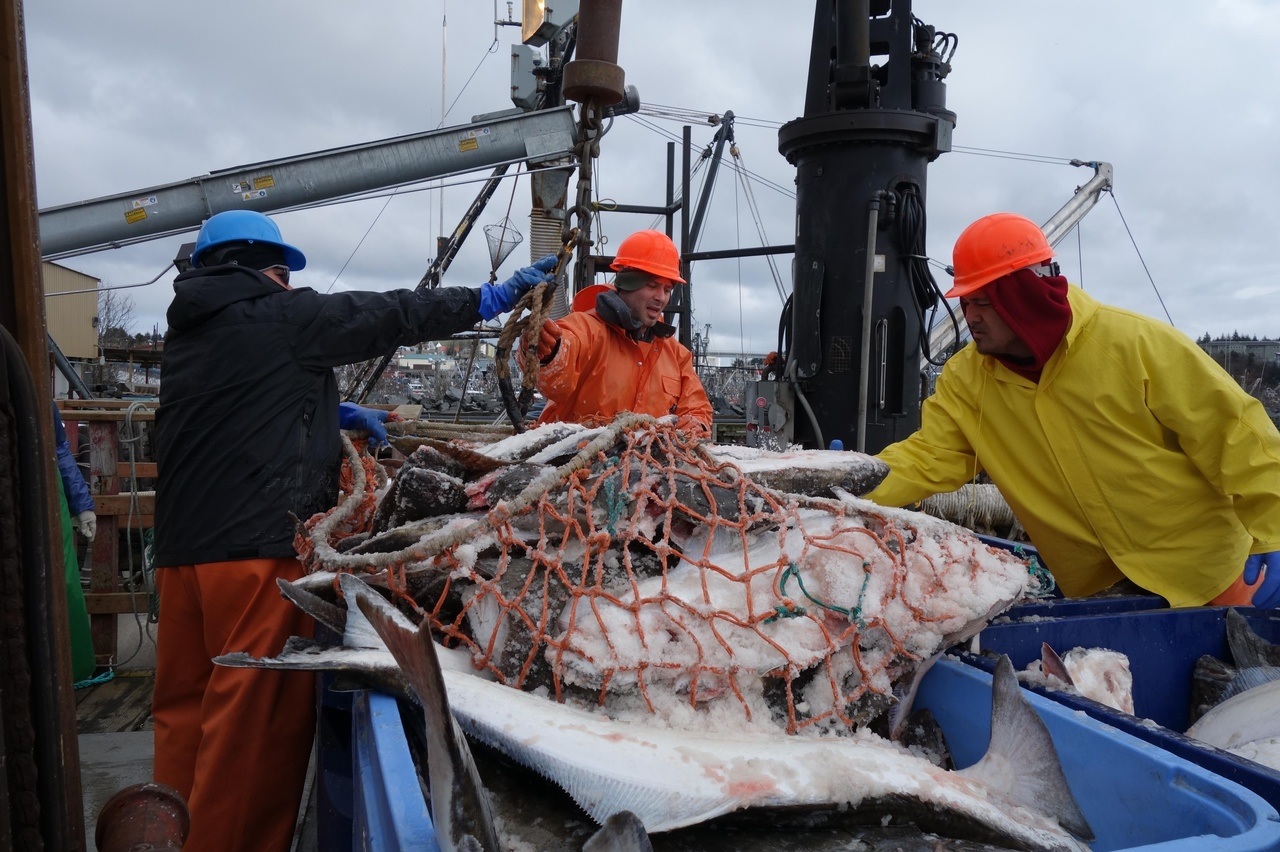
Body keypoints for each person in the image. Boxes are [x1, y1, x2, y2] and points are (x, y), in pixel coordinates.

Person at [152, 209, 556, 852]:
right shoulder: (284, 314)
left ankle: (161, 837)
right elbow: (391, 312)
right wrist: (489, 298)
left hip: (180, 558)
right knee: (246, 737)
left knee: (185, 716)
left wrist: (333, 410)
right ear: (268, 265)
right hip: (255, 554)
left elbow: (235, 398)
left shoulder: (192, 330)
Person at [864, 211, 1280, 609]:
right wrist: (850, 480)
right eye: (966, 303)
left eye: (984, 303)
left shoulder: (1134, 344)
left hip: (1216, 577)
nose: (970, 317)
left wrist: (1276, 530)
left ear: (1023, 294)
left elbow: (1237, 437)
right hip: (1102, 592)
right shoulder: (966, 381)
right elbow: (930, 457)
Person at [531, 229, 713, 436]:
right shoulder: (586, 329)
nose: (661, 297)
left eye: (667, 289)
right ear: (627, 284)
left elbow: (698, 408)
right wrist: (550, 352)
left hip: (647, 464)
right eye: (652, 285)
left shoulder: (677, 355)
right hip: (574, 462)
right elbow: (558, 373)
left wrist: (697, 423)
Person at [52, 401, 96, 682]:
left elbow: (59, 449)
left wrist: (82, 504)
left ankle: (70, 670)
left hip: (45, 491)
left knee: (64, 581)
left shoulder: (36, 393)